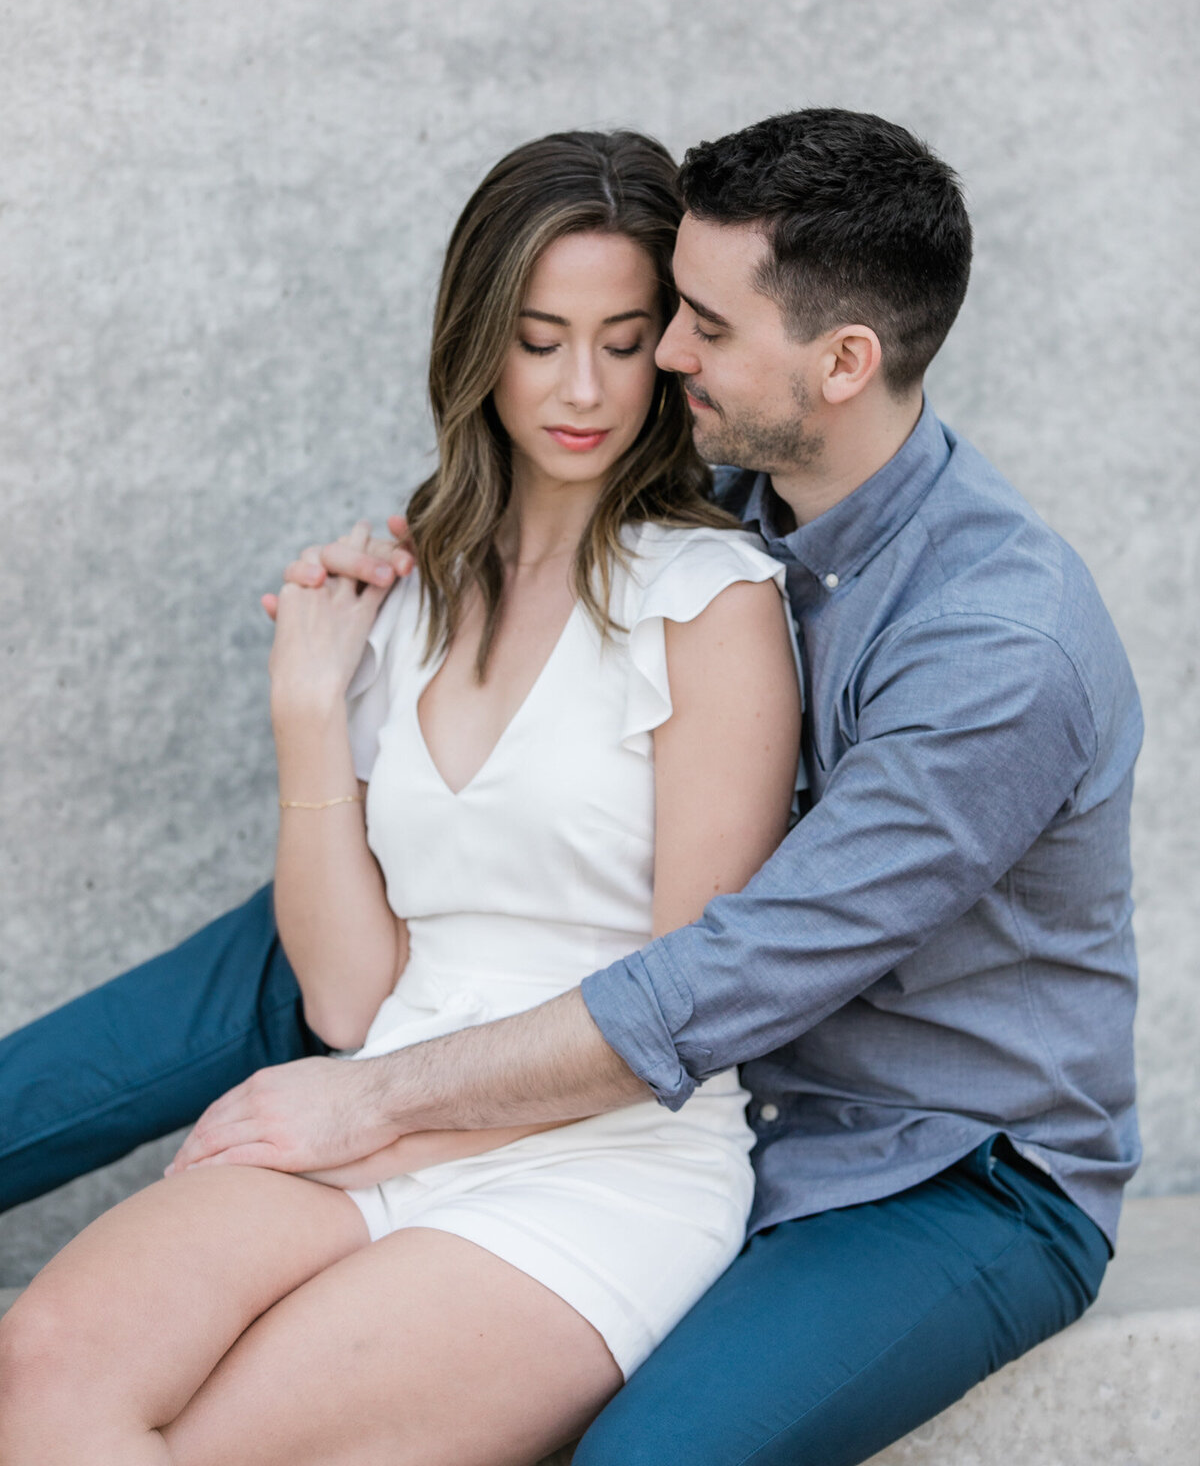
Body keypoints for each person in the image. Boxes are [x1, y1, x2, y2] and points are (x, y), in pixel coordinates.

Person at [0, 108, 1141, 1466]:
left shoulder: (994, 647)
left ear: (842, 363)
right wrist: (371, 660)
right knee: (336, 897)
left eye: (693, 328)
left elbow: (733, 972)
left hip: (927, 1159)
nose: (653, 359)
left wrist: (375, 1097)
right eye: (597, 333)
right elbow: (552, 496)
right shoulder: (723, 488)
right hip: (608, 1036)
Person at [0, 129, 804, 1463]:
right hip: (376, 1094)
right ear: (477, 339)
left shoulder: (709, 603)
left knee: (229, 1441)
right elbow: (349, 1000)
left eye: (623, 337)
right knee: (42, 1368)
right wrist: (309, 712)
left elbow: (689, 1007)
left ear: (672, 347)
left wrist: (391, 1108)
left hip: (598, 1159)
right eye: (540, 338)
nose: (584, 387)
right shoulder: (417, 592)